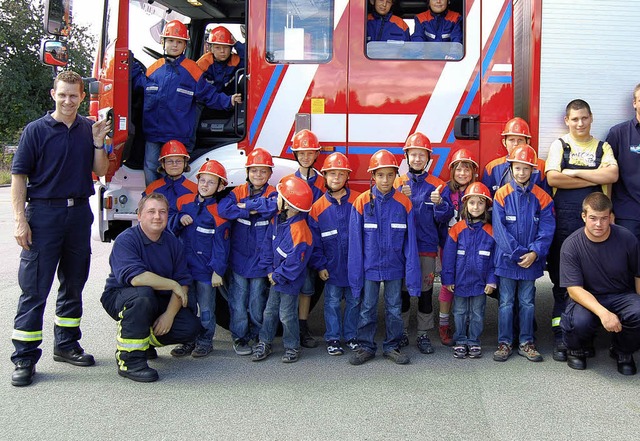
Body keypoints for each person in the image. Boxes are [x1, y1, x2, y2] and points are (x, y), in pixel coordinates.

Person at [10, 70, 111, 387]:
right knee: (35, 289)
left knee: (73, 284)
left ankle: (66, 345)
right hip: (43, 214)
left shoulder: (88, 129)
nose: (68, 100)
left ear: (83, 97)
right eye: (63, 94)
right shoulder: (35, 131)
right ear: (53, 94)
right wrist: (19, 219)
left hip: (79, 213)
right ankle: (24, 358)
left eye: (74, 95)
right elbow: (19, 177)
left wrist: (98, 142)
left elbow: (101, 170)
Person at [545, 99, 619, 362]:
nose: (579, 123)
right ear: (567, 120)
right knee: (564, 283)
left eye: (584, 118)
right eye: (574, 119)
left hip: (595, 226)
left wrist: (573, 173)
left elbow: (612, 176)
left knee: (592, 282)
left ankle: (584, 337)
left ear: (591, 118)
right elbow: (553, 178)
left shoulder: (603, 146)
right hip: (565, 225)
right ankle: (561, 336)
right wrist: (592, 174)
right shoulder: (560, 145)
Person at [100, 193, 201, 382]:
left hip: (155, 299)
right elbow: (136, 278)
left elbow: (184, 282)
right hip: (121, 296)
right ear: (139, 215)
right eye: (151, 211)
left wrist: (168, 316)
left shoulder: (172, 242)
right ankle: (129, 361)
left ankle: (143, 342)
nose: (157, 216)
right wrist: (172, 284)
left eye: (162, 212)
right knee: (142, 296)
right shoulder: (127, 240)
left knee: (190, 326)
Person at [131, 19, 243, 185]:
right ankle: (152, 201)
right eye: (170, 41)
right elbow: (139, 84)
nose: (174, 45)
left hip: (177, 134)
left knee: (172, 173)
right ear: (163, 42)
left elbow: (208, 94)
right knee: (150, 166)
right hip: (153, 133)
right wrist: (128, 64)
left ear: (185, 46)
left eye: (179, 42)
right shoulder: (154, 68)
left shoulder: (192, 69)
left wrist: (228, 101)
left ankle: (170, 204)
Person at [348, 150, 420, 366]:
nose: (385, 180)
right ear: (373, 176)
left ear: (396, 175)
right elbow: (355, 244)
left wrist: (412, 277)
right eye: (380, 175)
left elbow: (411, 244)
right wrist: (355, 275)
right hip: (370, 268)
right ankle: (366, 346)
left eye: (390, 175)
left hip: (394, 268)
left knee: (394, 309)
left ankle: (392, 346)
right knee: (367, 308)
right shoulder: (361, 202)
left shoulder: (404, 204)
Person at [560, 192, 640, 375]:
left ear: (611, 217)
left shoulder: (627, 238)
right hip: (586, 296)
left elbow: (638, 274)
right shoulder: (571, 245)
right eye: (593, 218)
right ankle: (576, 348)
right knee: (579, 321)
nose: (598, 224)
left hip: (621, 294)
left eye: (604, 218)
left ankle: (622, 351)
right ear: (583, 217)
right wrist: (604, 313)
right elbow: (574, 290)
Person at [492, 145, 555, 363]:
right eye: (517, 168)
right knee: (506, 303)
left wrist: (535, 253)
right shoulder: (501, 195)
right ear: (510, 169)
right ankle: (504, 343)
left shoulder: (543, 198)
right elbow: (499, 231)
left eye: (526, 169)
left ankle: (527, 342)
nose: (521, 173)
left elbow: (547, 230)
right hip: (508, 261)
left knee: (527, 303)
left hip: (531, 262)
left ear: (533, 170)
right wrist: (521, 254)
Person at [394, 132, 453, 355]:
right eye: (413, 154)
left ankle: (423, 334)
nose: (417, 159)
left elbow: (444, 218)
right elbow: (388, 215)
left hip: (426, 248)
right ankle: (401, 333)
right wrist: (400, 197)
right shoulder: (397, 183)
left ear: (428, 158)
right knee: (403, 293)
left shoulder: (438, 186)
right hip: (401, 249)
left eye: (422, 155)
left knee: (426, 293)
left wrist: (440, 205)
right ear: (407, 157)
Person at [168, 160, 231, 358]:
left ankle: (204, 341)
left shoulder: (219, 213)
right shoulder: (184, 203)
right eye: (202, 180)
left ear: (221, 186)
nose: (204, 185)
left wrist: (218, 271)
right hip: (185, 270)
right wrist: (178, 219)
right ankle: (188, 341)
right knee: (186, 307)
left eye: (211, 182)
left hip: (205, 272)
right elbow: (170, 228)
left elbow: (222, 245)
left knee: (206, 310)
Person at [218, 148, 278, 356]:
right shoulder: (237, 192)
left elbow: (272, 207)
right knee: (238, 300)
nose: (258, 175)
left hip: (261, 259)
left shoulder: (273, 193)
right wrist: (248, 209)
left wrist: (246, 205)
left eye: (263, 171)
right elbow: (223, 209)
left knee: (256, 301)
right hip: (239, 259)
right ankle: (240, 338)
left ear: (270, 174)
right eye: (254, 171)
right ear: (248, 172)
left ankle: (258, 337)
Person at [252, 176, 314, 363]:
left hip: (288, 282)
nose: (276, 199)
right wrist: (270, 270)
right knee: (269, 312)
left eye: (279, 196)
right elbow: (267, 246)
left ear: (289, 204)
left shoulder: (300, 231)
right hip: (276, 278)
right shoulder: (277, 221)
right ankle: (265, 342)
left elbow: (296, 263)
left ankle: (292, 346)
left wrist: (277, 275)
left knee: (287, 315)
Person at [308, 153, 362, 356]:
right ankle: (333, 338)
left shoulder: (359, 200)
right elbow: (314, 242)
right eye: (332, 174)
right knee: (331, 304)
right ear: (325, 176)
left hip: (355, 267)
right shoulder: (317, 208)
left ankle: (351, 336)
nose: (336, 178)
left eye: (341, 174)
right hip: (331, 268)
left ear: (347, 177)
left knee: (354, 302)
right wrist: (320, 265)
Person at [441, 182, 496, 359]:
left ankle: (473, 341)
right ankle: (460, 340)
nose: (476, 207)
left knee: (477, 313)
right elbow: (448, 258)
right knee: (459, 312)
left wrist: (492, 280)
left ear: (486, 206)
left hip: (480, 284)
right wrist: (448, 279)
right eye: (472, 203)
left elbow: (495, 260)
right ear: (465, 205)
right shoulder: (457, 229)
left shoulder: (491, 231)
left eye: (480, 203)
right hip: (460, 282)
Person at [282, 129, 326, 349]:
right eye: (302, 153)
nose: (306, 157)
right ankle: (288, 328)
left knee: (307, 287)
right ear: (295, 155)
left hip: (311, 242)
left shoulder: (322, 182)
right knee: (290, 286)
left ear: (316, 155)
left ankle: (303, 326)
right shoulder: (288, 181)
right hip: (293, 242)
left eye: (310, 153)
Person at [438, 148, 478, 346]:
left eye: (467, 169)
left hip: (472, 245)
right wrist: (440, 205)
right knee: (448, 283)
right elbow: (439, 218)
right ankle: (443, 324)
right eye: (459, 169)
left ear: (473, 172)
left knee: (468, 282)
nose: (463, 173)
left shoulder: (478, 189)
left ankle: (466, 323)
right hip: (449, 244)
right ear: (452, 171)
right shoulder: (445, 190)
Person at [605, 83, 640, 242]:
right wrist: (608, 210)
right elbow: (607, 176)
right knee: (627, 263)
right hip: (628, 214)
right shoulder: (618, 133)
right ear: (634, 103)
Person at [482, 117, 550, 197]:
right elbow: (486, 201)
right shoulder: (492, 168)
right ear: (504, 142)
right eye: (511, 140)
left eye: (520, 140)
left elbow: (547, 198)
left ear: (528, 142)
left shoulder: (541, 166)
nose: (515, 144)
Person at [142, 140, 197, 217]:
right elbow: (145, 215)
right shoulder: (152, 189)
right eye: (169, 162)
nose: (174, 165)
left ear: (185, 163)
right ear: (163, 164)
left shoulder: (194, 189)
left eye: (178, 161)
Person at [196, 26, 245, 95]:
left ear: (231, 48)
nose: (222, 51)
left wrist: (237, 44)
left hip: (231, 101)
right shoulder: (204, 63)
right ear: (211, 49)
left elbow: (250, 58)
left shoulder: (235, 61)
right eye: (217, 48)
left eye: (226, 47)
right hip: (207, 101)